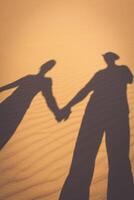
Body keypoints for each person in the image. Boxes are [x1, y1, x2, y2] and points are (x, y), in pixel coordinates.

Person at [59, 52, 134, 200]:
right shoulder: (120, 71)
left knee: (102, 156)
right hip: (108, 115)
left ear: (108, 59)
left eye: (106, 58)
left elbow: (85, 91)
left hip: (101, 114)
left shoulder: (104, 74)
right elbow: (85, 91)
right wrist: (68, 105)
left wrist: (68, 106)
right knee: (110, 156)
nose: (106, 60)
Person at [0, 60, 63, 150]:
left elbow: (8, 86)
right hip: (16, 108)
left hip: (10, 105)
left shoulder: (32, 78)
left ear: (42, 66)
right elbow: (49, 99)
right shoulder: (44, 81)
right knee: (5, 132)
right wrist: (57, 113)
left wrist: (57, 113)